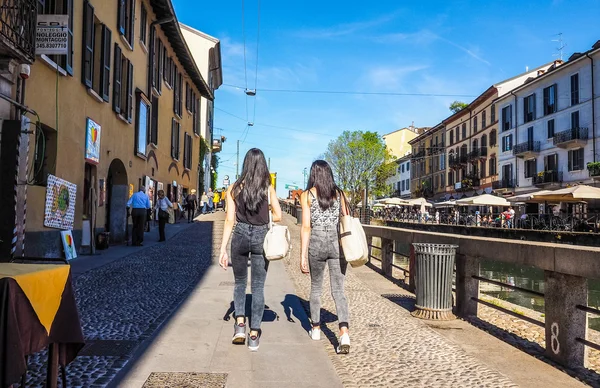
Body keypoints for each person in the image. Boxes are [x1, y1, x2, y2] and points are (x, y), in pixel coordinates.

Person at [218, 148, 282, 352]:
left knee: (239, 283)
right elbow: (279, 215)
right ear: (263, 165)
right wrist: (266, 214)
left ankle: (239, 325)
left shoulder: (234, 188)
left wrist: (223, 249)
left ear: (246, 164)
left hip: (239, 235)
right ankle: (254, 334)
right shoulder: (267, 188)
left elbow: (229, 219)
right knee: (258, 286)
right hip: (262, 237)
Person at [300, 160, 351, 355]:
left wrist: (303, 255)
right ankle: (344, 332)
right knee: (338, 290)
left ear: (313, 174)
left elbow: (306, 227)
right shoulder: (340, 194)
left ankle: (316, 328)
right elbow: (346, 220)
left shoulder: (307, 195)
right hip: (337, 245)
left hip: (317, 243)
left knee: (316, 289)